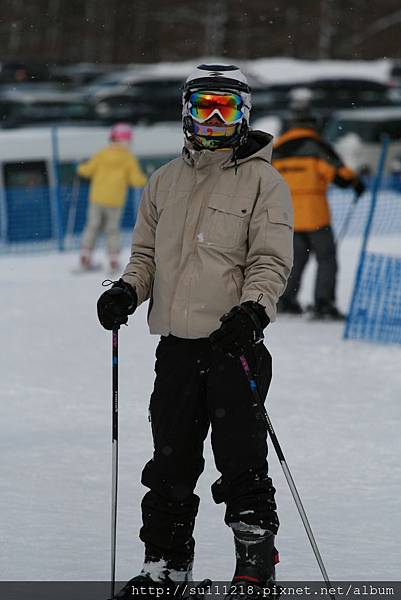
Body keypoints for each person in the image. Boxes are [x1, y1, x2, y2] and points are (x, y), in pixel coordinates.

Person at [97, 64, 293, 599]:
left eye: (225, 108)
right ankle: (166, 565)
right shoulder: (163, 180)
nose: (212, 118)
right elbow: (144, 258)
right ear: (186, 112)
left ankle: (255, 564)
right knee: (170, 462)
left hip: (236, 347)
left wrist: (253, 312)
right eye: (203, 106)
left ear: (242, 116)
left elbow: (270, 262)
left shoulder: (263, 181)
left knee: (241, 461)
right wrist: (127, 292)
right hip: (177, 351)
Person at [273, 108, 365, 319]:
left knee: (294, 261)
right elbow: (341, 177)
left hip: (288, 216)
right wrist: (356, 182)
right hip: (316, 217)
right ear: (313, 124)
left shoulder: (277, 149)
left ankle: (285, 300)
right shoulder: (318, 147)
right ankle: (323, 303)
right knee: (326, 259)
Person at [77, 123, 147, 273]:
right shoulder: (128, 158)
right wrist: (145, 179)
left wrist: (80, 168)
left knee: (92, 226)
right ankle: (113, 261)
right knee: (112, 230)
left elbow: (87, 171)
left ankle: (85, 256)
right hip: (115, 201)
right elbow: (135, 180)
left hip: (97, 198)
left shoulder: (102, 154)